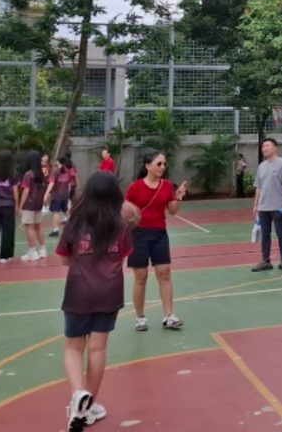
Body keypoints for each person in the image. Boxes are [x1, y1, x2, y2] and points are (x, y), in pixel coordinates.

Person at [56, 171, 139, 431]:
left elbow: (64, 258)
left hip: (79, 290)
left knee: (73, 347)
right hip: (109, 291)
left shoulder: (75, 223)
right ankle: (88, 405)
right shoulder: (122, 225)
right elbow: (124, 254)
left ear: (87, 194)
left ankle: (78, 394)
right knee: (97, 348)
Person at [125, 152, 188, 331]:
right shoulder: (135, 187)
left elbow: (172, 211)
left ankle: (169, 316)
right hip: (138, 235)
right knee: (141, 277)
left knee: (164, 273)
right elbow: (125, 211)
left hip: (159, 234)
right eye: (159, 164)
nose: (162, 167)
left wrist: (178, 196)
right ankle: (140, 317)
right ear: (148, 166)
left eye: (164, 164)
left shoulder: (166, 186)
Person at [251, 138, 282, 272]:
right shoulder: (261, 166)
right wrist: (256, 205)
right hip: (263, 207)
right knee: (265, 234)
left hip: (278, 207)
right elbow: (258, 187)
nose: (264, 148)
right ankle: (265, 261)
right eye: (263, 146)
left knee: (281, 233)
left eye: (267, 146)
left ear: (275, 147)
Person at [18, 150, 48, 261]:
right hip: (38, 204)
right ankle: (43, 250)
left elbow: (26, 191)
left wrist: (20, 206)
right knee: (38, 226)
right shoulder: (42, 174)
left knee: (29, 227)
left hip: (29, 204)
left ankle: (33, 251)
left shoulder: (28, 174)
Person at [45, 155, 77, 237]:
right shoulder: (68, 170)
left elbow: (51, 183)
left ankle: (55, 230)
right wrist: (68, 193)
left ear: (58, 162)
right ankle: (75, 224)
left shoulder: (55, 171)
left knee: (56, 212)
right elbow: (69, 183)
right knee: (65, 210)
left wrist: (46, 193)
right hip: (65, 194)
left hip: (57, 195)